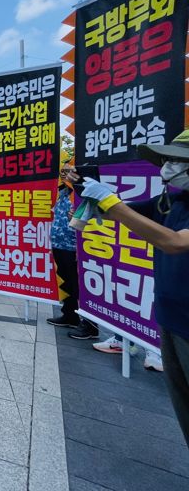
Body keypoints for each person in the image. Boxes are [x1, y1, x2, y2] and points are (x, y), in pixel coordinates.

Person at [72, 129, 189, 444]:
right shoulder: (172, 198)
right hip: (170, 317)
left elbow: (174, 242)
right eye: (166, 159)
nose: (168, 167)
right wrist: (101, 204)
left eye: (178, 161)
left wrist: (111, 202)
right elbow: (133, 214)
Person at [46, 167, 99, 340]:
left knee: (80, 287)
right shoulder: (63, 192)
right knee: (68, 283)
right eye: (62, 171)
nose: (64, 174)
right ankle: (69, 315)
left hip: (75, 248)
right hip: (60, 244)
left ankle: (89, 326)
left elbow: (93, 223)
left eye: (69, 172)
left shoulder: (84, 194)